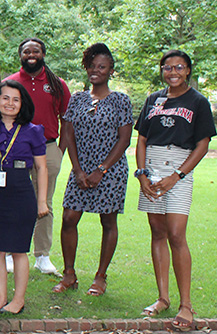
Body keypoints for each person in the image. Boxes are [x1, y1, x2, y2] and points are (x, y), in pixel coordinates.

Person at [135, 50, 215, 330]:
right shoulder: (153, 100)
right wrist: (142, 174)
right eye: (167, 67)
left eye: (179, 67)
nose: (173, 72)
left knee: (177, 235)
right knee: (157, 232)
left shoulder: (198, 101)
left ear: (188, 70)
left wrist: (177, 175)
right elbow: (142, 139)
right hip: (152, 169)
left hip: (178, 169)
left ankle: (186, 305)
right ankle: (163, 298)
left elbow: (203, 144)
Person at [51, 43, 132, 296]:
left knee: (107, 220)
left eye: (102, 67)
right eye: (92, 66)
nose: (96, 71)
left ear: (111, 71)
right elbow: (68, 134)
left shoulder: (120, 100)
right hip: (81, 169)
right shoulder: (77, 99)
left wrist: (101, 170)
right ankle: (69, 274)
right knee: (69, 218)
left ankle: (100, 276)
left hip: (111, 170)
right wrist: (77, 170)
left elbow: (124, 140)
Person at [0, 79, 49, 314]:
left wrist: (42, 201)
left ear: (22, 104)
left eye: (16, 99)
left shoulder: (33, 131)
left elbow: (41, 168)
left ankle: (18, 300)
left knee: (18, 249)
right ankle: (1, 298)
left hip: (21, 191)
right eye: (5, 98)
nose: (10, 103)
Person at [3, 37, 70, 274]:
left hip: (48, 148)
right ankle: (11, 252)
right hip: (16, 149)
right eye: (26, 52)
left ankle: (42, 255)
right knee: (14, 201)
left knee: (45, 203)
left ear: (43, 54)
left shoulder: (57, 84)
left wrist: (60, 151)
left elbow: (66, 119)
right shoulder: (10, 82)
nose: (31, 55)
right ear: (20, 55)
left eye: (36, 51)